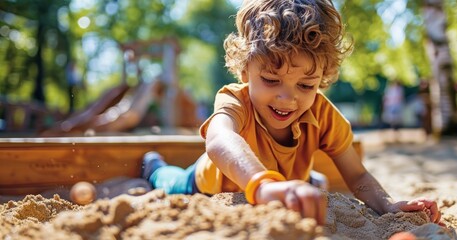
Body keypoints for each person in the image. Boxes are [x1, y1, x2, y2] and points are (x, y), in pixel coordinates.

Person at [141, 0, 441, 226]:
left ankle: (306, 179)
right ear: (245, 69)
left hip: (280, 182)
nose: (288, 98)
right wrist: (263, 185)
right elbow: (220, 141)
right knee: (169, 181)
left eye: (306, 85)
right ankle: (154, 165)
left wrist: (388, 204)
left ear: (322, 77)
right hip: (204, 184)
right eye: (271, 80)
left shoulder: (322, 113)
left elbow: (358, 174)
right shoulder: (236, 99)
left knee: (306, 181)